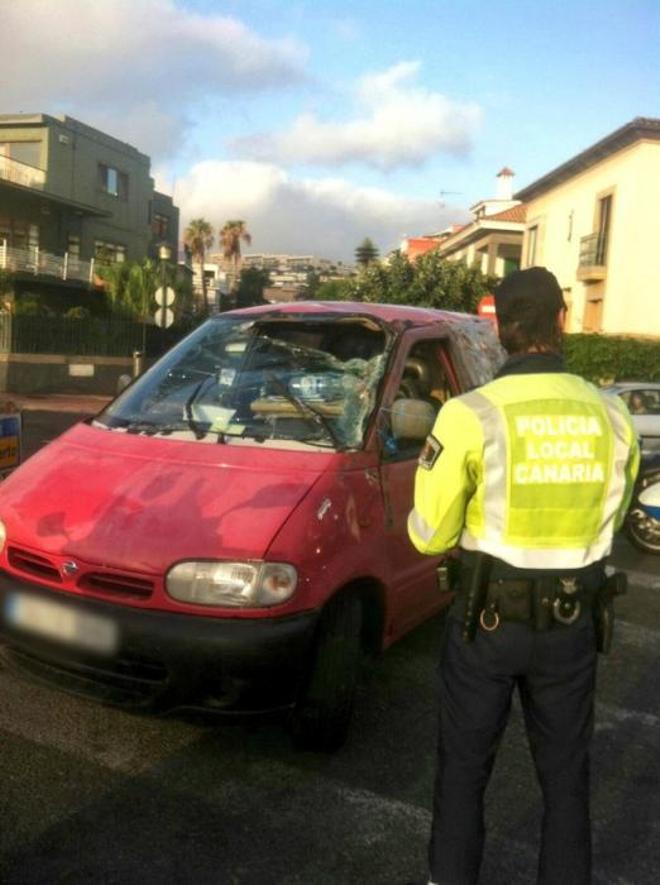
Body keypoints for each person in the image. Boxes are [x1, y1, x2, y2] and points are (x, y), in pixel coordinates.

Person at [407, 267, 640, 885]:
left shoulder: (468, 415)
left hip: (485, 623)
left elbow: (428, 534)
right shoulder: (614, 417)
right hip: (573, 624)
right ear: (562, 322)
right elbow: (612, 516)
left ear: (500, 330)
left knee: (462, 775)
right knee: (566, 783)